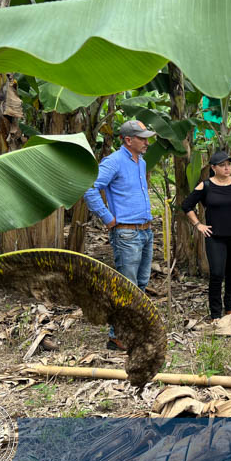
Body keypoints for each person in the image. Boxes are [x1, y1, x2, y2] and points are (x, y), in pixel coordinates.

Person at [84, 120, 156, 351]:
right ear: (128, 140)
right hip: (126, 233)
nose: (147, 142)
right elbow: (90, 188)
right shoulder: (114, 161)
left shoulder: (141, 162)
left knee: (141, 284)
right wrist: (108, 217)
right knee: (127, 286)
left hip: (144, 230)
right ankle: (117, 336)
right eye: (142, 138)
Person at [181, 150, 231, 322]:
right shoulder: (206, 186)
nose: (227, 168)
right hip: (215, 236)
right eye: (222, 165)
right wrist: (198, 225)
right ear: (213, 167)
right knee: (217, 273)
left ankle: (230, 308)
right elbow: (187, 205)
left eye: (228, 165)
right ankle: (215, 313)